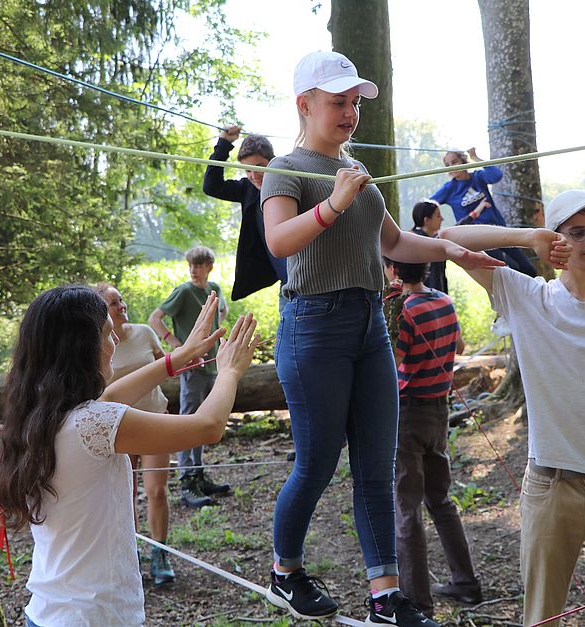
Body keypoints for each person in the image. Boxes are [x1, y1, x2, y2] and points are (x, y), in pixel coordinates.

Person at [259, 50, 503, 627]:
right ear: (305, 104)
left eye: (355, 104)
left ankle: (385, 596)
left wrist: (448, 248)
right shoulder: (288, 169)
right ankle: (285, 571)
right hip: (313, 327)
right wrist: (334, 203)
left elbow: (394, 244)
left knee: (375, 465)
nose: (350, 113)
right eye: (338, 102)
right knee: (316, 463)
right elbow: (279, 242)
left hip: (370, 323)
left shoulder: (357, 172)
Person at [439, 190, 585, 627]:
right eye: (577, 232)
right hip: (550, 483)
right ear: (557, 238)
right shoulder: (526, 295)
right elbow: (451, 236)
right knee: (541, 615)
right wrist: (531, 238)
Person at [0, 286, 258, 627]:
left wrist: (179, 357)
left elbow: (112, 395)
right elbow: (207, 427)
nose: (114, 342)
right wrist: (231, 371)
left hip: (50, 613)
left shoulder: (39, 416)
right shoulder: (93, 424)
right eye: (106, 334)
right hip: (91, 617)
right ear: (80, 349)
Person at [385, 258, 483, 619]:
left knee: (406, 508)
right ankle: (466, 582)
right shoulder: (443, 300)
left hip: (408, 414)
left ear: (394, 270)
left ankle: (417, 604)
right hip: (438, 411)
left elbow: (391, 363)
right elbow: (457, 345)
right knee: (440, 501)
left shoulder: (403, 312)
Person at [95, 283, 175, 586]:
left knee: (156, 490)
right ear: (102, 310)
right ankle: (130, 555)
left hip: (155, 420)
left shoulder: (144, 331)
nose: (122, 306)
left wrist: (180, 361)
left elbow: (162, 362)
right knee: (124, 495)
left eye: (122, 300)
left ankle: (160, 552)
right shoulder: (98, 344)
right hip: (119, 427)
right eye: (114, 303)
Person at [148, 246, 231, 508]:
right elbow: (155, 318)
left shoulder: (212, 288)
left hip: (211, 366)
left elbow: (222, 312)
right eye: (191, 265)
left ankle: (198, 473)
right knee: (188, 421)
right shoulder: (184, 291)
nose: (194, 270)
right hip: (192, 368)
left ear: (209, 267)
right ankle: (187, 481)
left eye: (199, 265)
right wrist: (177, 345)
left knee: (204, 421)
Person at [203, 125, 288, 306]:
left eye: (259, 167)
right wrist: (223, 144)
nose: (254, 175)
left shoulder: (290, 182)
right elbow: (212, 186)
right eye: (247, 170)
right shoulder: (247, 189)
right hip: (287, 285)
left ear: (272, 162)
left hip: (309, 277)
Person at [430, 148, 537, 277]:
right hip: (477, 238)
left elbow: (496, 175)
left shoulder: (477, 177)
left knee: (528, 270)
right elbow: (427, 205)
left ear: (463, 161)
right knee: (511, 271)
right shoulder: (449, 188)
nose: (451, 167)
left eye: (454, 162)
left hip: (498, 230)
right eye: (447, 165)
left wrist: (475, 158)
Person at [410, 200, 448, 293]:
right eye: (438, 216)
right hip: (425, 298)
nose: (442, 219)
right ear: (427, 220)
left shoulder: (434, 240)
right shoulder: (418, 243)